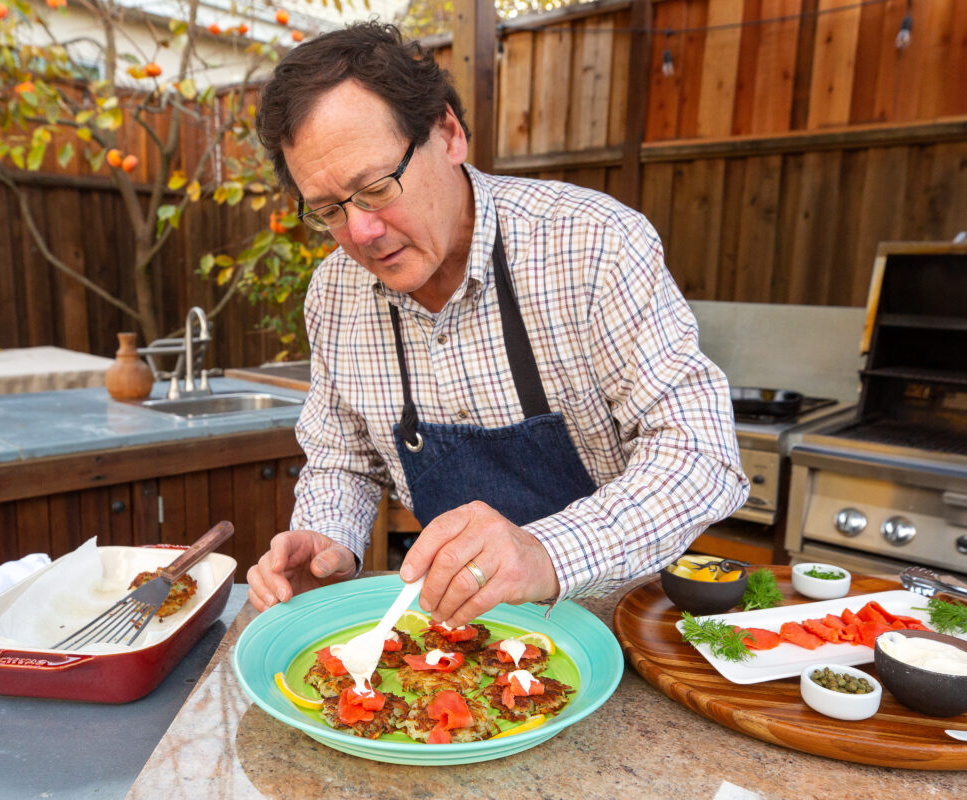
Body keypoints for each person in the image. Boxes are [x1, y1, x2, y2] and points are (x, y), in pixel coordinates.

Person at [246, 22, 749, 625]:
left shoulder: (591, 244)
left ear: (449, 133)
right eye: (328, 209)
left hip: (621, 621)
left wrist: (543, 552)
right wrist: (330, 542)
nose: (361, 233)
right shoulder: (335, 294)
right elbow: (343, 458)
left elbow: (700, 455)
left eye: (376, 188)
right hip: (456, 633)